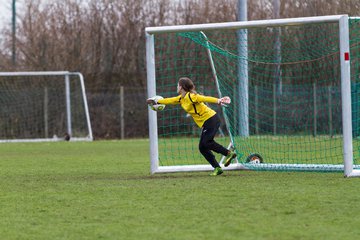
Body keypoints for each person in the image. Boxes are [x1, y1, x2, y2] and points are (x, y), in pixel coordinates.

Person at [147, 77, 237, 176]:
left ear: (181, 87)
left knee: (207, 142)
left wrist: (218, 100)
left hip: (211, 119)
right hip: (206, 122)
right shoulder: (181, 99)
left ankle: (229, 153)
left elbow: (204, 98)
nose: (177, 87)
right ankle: (217, 168)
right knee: (202, 147)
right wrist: (156, 101)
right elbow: (169, 100)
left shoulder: (191, 96)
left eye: (178, 85)